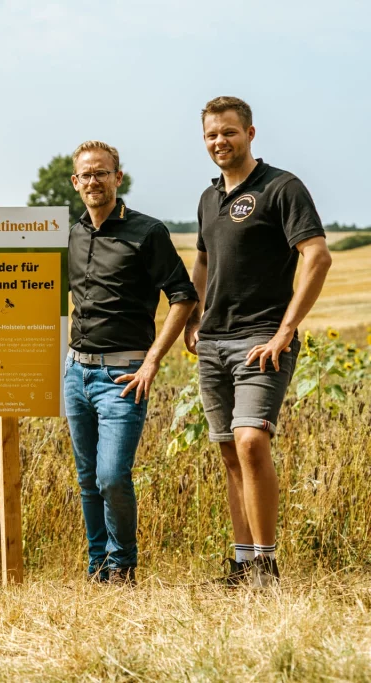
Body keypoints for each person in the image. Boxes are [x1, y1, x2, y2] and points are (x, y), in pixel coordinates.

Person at [184, 96, 332, 587]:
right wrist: (195, 317)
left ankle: (266, 567)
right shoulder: (209, 199)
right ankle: (243, 563)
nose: (219, 142)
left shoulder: (281, 188)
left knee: (251, 441)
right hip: (214, 344)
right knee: (229, 450)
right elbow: (203, 262)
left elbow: (317, 256)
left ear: (250, 133)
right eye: (211, 135)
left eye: (228, 132)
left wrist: (285, 331)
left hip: (261, 340)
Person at [64, 141, 198, 584]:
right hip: (75, 373)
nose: (93, 181)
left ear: (118, 178)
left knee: (111, 476)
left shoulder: (147, 231)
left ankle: (122, 567)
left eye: (102, 173)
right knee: (87, 479)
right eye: (86, 174)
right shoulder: (73, 232)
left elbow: (183, 296)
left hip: (123, 375)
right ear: (75, 181)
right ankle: (97, 567)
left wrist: (153, 362)